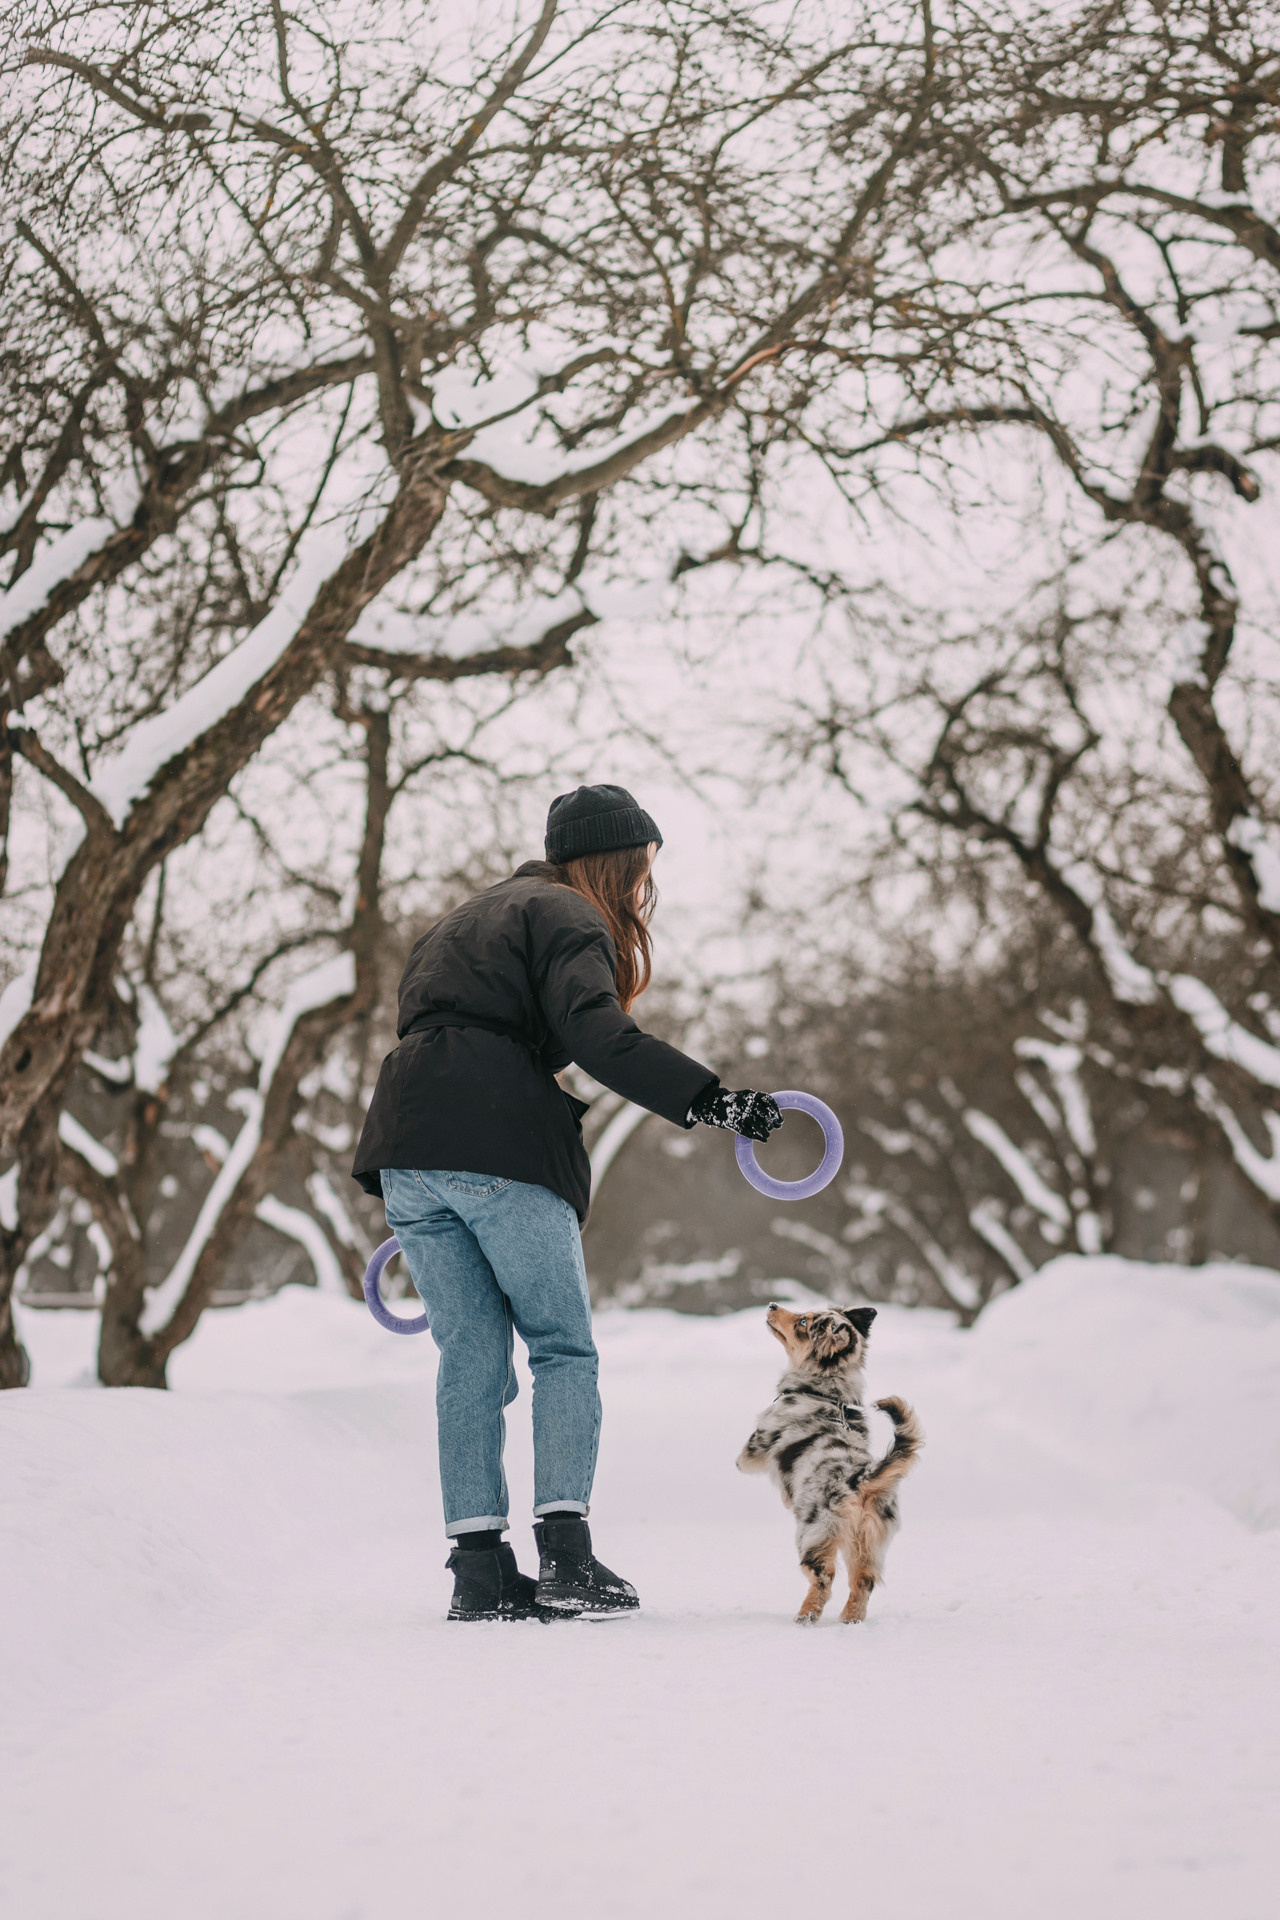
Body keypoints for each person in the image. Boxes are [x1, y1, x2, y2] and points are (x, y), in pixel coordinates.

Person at [352, 783, 783, 1620]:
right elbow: (598, 1035)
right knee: (561, 1349)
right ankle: (567, 1559)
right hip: (497, 1143)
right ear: (614, 863)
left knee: (470, 1358)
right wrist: (714, 1100)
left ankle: (479, 1573)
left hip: (406, 1150)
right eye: (641, 868)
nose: (643, 887)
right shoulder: (568, 915)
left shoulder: (458, 921)